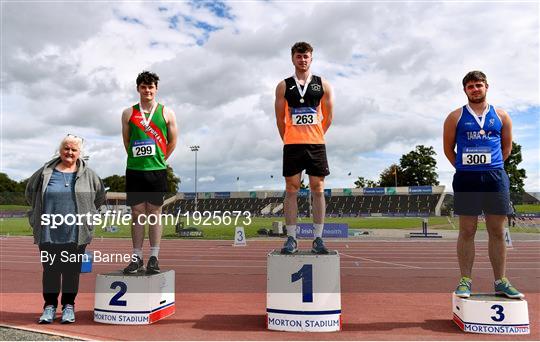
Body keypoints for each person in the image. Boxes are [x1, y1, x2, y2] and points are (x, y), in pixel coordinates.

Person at [443, 71, 524, 299]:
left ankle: (501, 281)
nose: (475, 89)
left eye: (478, 85)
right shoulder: (455, 117)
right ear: (465, 90)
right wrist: (464, 166)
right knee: (467, 230)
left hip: (495, 178)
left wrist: (492, 166)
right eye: (470, 86)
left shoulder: (501, 116)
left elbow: (506, 148)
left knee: (497, 230)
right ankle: (466, 280)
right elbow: (448, 148)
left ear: (487, 86)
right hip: (467, 178)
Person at [25, 134, 105, 323]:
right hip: (48, 231)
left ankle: (69, 307)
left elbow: (100, 197)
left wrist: (90, 217)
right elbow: (30, 193)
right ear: (60, 150)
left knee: (71, 272)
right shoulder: (44, 172)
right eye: (66, 148)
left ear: (79, 153)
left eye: (73, 149)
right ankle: (49, 307)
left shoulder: (90, 175)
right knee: (50, 271)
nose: (69, 152)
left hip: (76, 233)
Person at [274, 42, 334, 254]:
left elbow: (328, 117)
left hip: (316, 144)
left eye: (306, 56)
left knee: (318, 188)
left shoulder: (323, 85)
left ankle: (318, 238)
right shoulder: (283, 85)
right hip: (292, 145)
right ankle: (292, 238)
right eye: (299, 56)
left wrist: (315, 135)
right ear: (293, 58)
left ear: (311, 58)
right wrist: (289, 138)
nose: (302, 60)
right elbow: (280, 119)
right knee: (291, 189)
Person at [121, 71, 178, 274]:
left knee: (154, 214)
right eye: (143, 87)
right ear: (138, 89)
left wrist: (161, 159)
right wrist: (138, 159)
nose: (147, 90)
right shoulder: (128, 113)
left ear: (156, 88)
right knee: (137, 214)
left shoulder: (166, 113)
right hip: (135, 171)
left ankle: (154, 256)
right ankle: (136, 257)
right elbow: (127, 142)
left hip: (157, 171)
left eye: (151, 86)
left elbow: (173, 141)